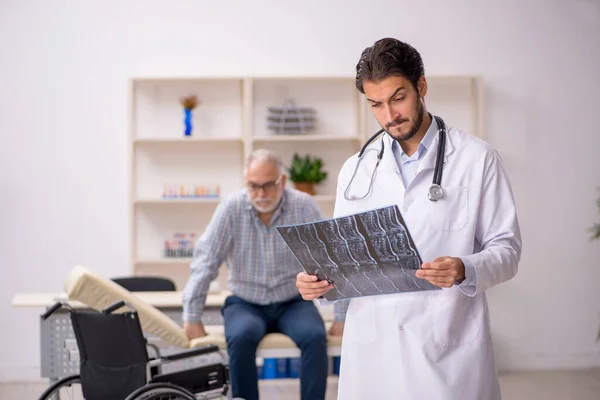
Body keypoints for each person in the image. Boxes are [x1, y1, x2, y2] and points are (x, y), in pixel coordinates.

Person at [296, 38, 522, 399]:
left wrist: (465, 268)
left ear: (421, 86)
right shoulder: (356, 169)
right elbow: (339, 259)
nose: (389, 115)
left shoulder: (477, 159)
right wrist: (316, 283)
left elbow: (507, 250)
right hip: (374, 350)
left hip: (446, 346)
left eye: (397, 98)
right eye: (376, 104)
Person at [182, 149, 345, 400]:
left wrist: (340, 315)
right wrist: (192, 316)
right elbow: (206, 259)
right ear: (246, 182)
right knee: (240, 337)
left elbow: (330, 259)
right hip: (246, 303)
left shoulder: (302, 205)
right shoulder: (232, 208)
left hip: (293, 302)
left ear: (282, 181)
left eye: (268, 185)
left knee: (314, 337)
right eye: (253, 186)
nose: (260, 194)